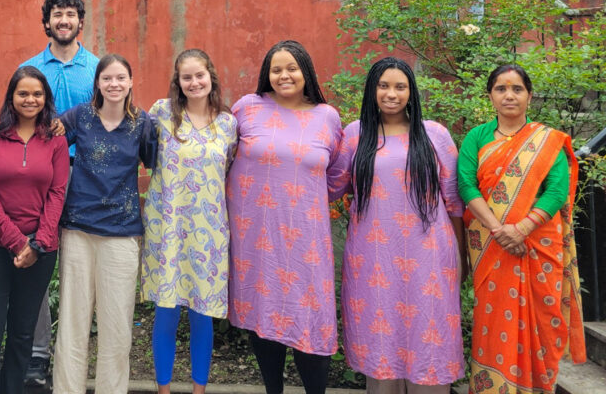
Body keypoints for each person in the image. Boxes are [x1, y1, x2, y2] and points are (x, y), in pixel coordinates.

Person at [334, 57, 466, 393]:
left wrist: (462, 259)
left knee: (430, 341)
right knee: (379, 341)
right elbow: (329, 186)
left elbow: (454, 202)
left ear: (411, 92)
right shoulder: (355, 134)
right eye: (383, 86)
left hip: (430, 259)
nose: (391, 94)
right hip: (372, 259)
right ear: (372, 90)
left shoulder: (433, 134)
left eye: (400, 86)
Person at [458, 64, 585, 394]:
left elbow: (557, 191)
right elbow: (466, 185)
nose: (509, 95)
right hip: (491, 244)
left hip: (537, 244)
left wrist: (522, 229)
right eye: (501, 89)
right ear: (490, 96)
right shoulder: (477, 137)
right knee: (493, 320)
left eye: (517, 89)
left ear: (529, 95)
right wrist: (501, 230)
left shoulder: (547, 141)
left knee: (544, 322)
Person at [226, 40, 344, 394]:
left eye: (292, 68)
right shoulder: (247, 108)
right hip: (255, 237)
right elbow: (221, 154)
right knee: (263, 314)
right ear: (267, 74)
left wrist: (301, 200)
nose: (284, 75)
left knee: (311, 319)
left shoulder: (327, 116)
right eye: (276, 69)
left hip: (307, 238)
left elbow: (337, 175)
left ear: (306, 71)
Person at [52, 54, 158, 394]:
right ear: (97, 83)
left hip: (122, 233)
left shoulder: (143, 124)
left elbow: (161, 166)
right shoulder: (79, 117)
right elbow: (45, 143)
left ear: (130, 83)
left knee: (117, 326)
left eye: (120, 78)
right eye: (107, 78)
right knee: (73, 322)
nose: (114, 84)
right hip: (78, 229)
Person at [0, 67, 69, 394]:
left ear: (45, 99)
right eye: (23, 93)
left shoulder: (56, 141)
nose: (30, 100)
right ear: (11, 97)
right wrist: (17, 242)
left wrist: (38, 244)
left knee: (23, 333)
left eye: (37, 94)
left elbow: (57, 193)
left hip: (40, 250)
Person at [141, 49, 237, 394]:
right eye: (187, 77)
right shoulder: (161, 114)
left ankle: (199, 390)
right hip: (167, 228)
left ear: (211, 76)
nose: (194, 82)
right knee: (166, 313)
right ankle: (163, 390)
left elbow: (228, 172)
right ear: (178, 82)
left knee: (202, 315)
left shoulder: (228, 123)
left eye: (200, 75)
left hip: (209, 231)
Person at [20, 0, 98, 387]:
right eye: (57, 15)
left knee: (78, 269)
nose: (64, 21)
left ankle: (72, 354)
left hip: (87, 182)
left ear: (80, 22)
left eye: (70, 14)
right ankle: (36, 355)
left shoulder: (99, 70)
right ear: (47, 22)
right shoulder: (30, 70)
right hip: (41, 181)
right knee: (37, 261)